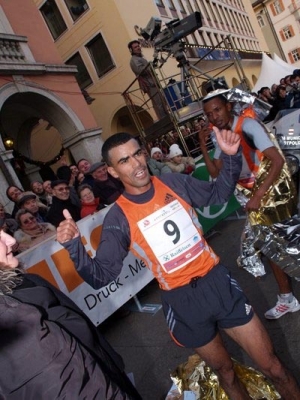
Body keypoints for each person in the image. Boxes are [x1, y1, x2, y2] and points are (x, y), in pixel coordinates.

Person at [57, 132, 300, 399]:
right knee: (226, 373)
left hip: (217, 283)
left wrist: (230, 157)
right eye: (125, 160)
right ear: (113, 171)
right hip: (183, 301)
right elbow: (101, 276)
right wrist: (73, 246)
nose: (137, 164)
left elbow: (218, 193)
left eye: (137, 154)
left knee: (273, 366)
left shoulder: (172, 182)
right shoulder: (118, 217)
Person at [0, 227, 142, 399]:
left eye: (5, 231)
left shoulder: (26, 280)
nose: (12, 240)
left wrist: (112, 362)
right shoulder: (8, 321)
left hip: (104, 370)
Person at [200, 90, 300, 320]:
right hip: (255, 198)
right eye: (209, 114)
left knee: (289, 241)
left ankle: (287, 297)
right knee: (272, 246)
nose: (214, 117)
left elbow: (277, 160)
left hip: (273, 193)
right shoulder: (220, 136)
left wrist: (258, 196)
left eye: (217, 109)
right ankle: (287, 298)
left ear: (228, 107)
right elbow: (216, 172)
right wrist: (204, 146)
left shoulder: (248, 126)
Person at [128, 40, 167, 120]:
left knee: (162, 101)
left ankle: (166, 117)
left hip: (152, 83)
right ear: (131, 50)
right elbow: (140, 70)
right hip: (149, 84)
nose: (138, 48)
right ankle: (164, 119)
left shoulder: (140, 58)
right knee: (158, 103)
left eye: (138, 46)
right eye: (135, 47)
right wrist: (150, 66)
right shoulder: (134, 60)